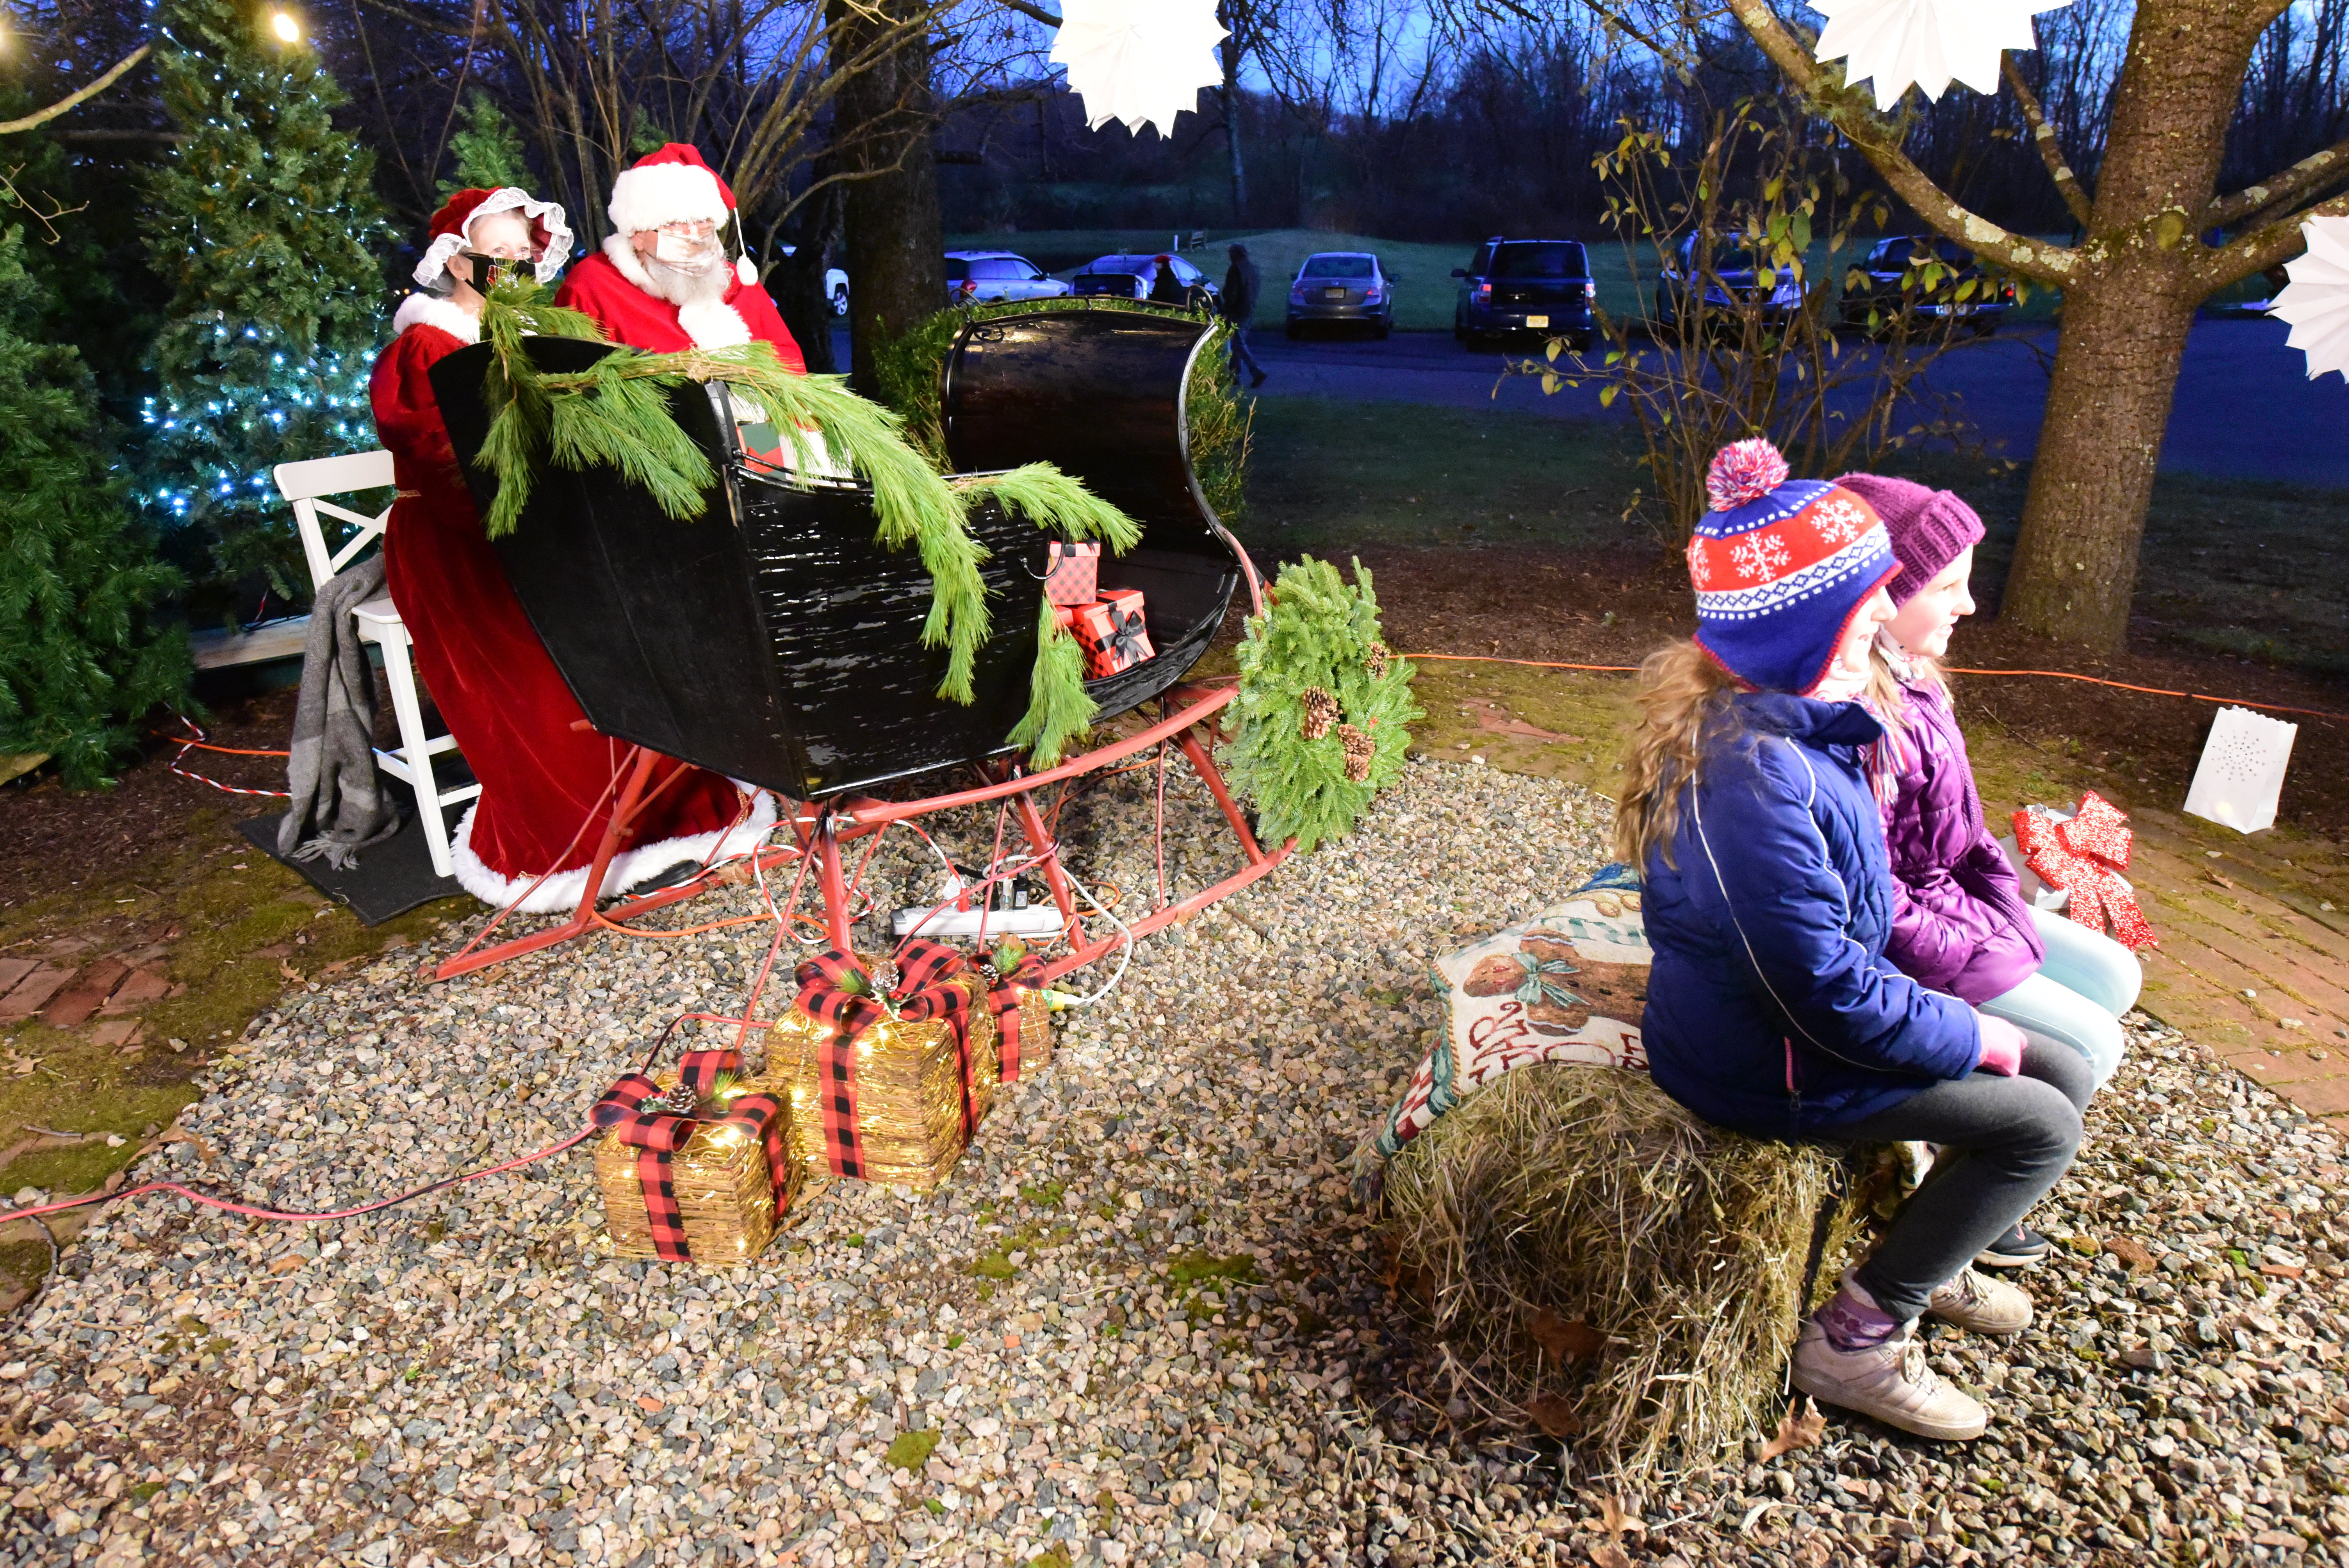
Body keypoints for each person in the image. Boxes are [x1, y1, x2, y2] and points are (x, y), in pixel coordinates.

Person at [1618, 438, 2089, 1442]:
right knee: (2042, 1124)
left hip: (1794, 1025)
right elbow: (1820, 987)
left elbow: (1849, 927)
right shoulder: (1750, 776)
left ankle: (1933, 1251)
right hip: (1765, 1062)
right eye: (1866, 595)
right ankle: (1854, 1338)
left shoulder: (1798, 725)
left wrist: (1964, 1004)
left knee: (2060, 1065)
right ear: (1801, 625)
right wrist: (1964, 1034)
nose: (1889, 609)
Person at [369, 187, 775, 912]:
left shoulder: (538, 340)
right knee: (546, 684)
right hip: (470, 547)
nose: (515, 269)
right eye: (497, 256)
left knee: (640, 647)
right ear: (455, 262)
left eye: (525, 256)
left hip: (554, 536)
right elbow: (447, 460)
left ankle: (666, 826)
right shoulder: (426, 348)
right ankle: (571, 850)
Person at [1839, 472, 2141, 1264]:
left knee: (2115, 978)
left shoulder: (1917, 682)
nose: (1968, 605)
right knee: (2088, 1041)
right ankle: (1971, 1173)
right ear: (1878, 594)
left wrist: (2004, 906)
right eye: (1946, 586)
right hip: (1912, 944)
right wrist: (1976, 946)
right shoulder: (1857, 721)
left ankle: (1992, 1156)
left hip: (1951, 913)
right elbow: (1870, 901)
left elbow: (1966, 833)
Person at [554, 143, 807, 364]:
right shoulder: (594, 286)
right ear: (637, 235)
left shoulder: (737, 283)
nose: (694, 236)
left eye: (703, 222)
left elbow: (788, 364)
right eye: (675, 223)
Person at [1223, 242, 1267, 387]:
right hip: (1249, 310)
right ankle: (1234, 375)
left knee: (1238, 343)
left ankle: (1256, 371)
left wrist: (1226, 311)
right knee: (1238, 343)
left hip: (1237, 311)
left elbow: (1231, 294)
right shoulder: (1253, 269)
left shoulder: (1236, 269)